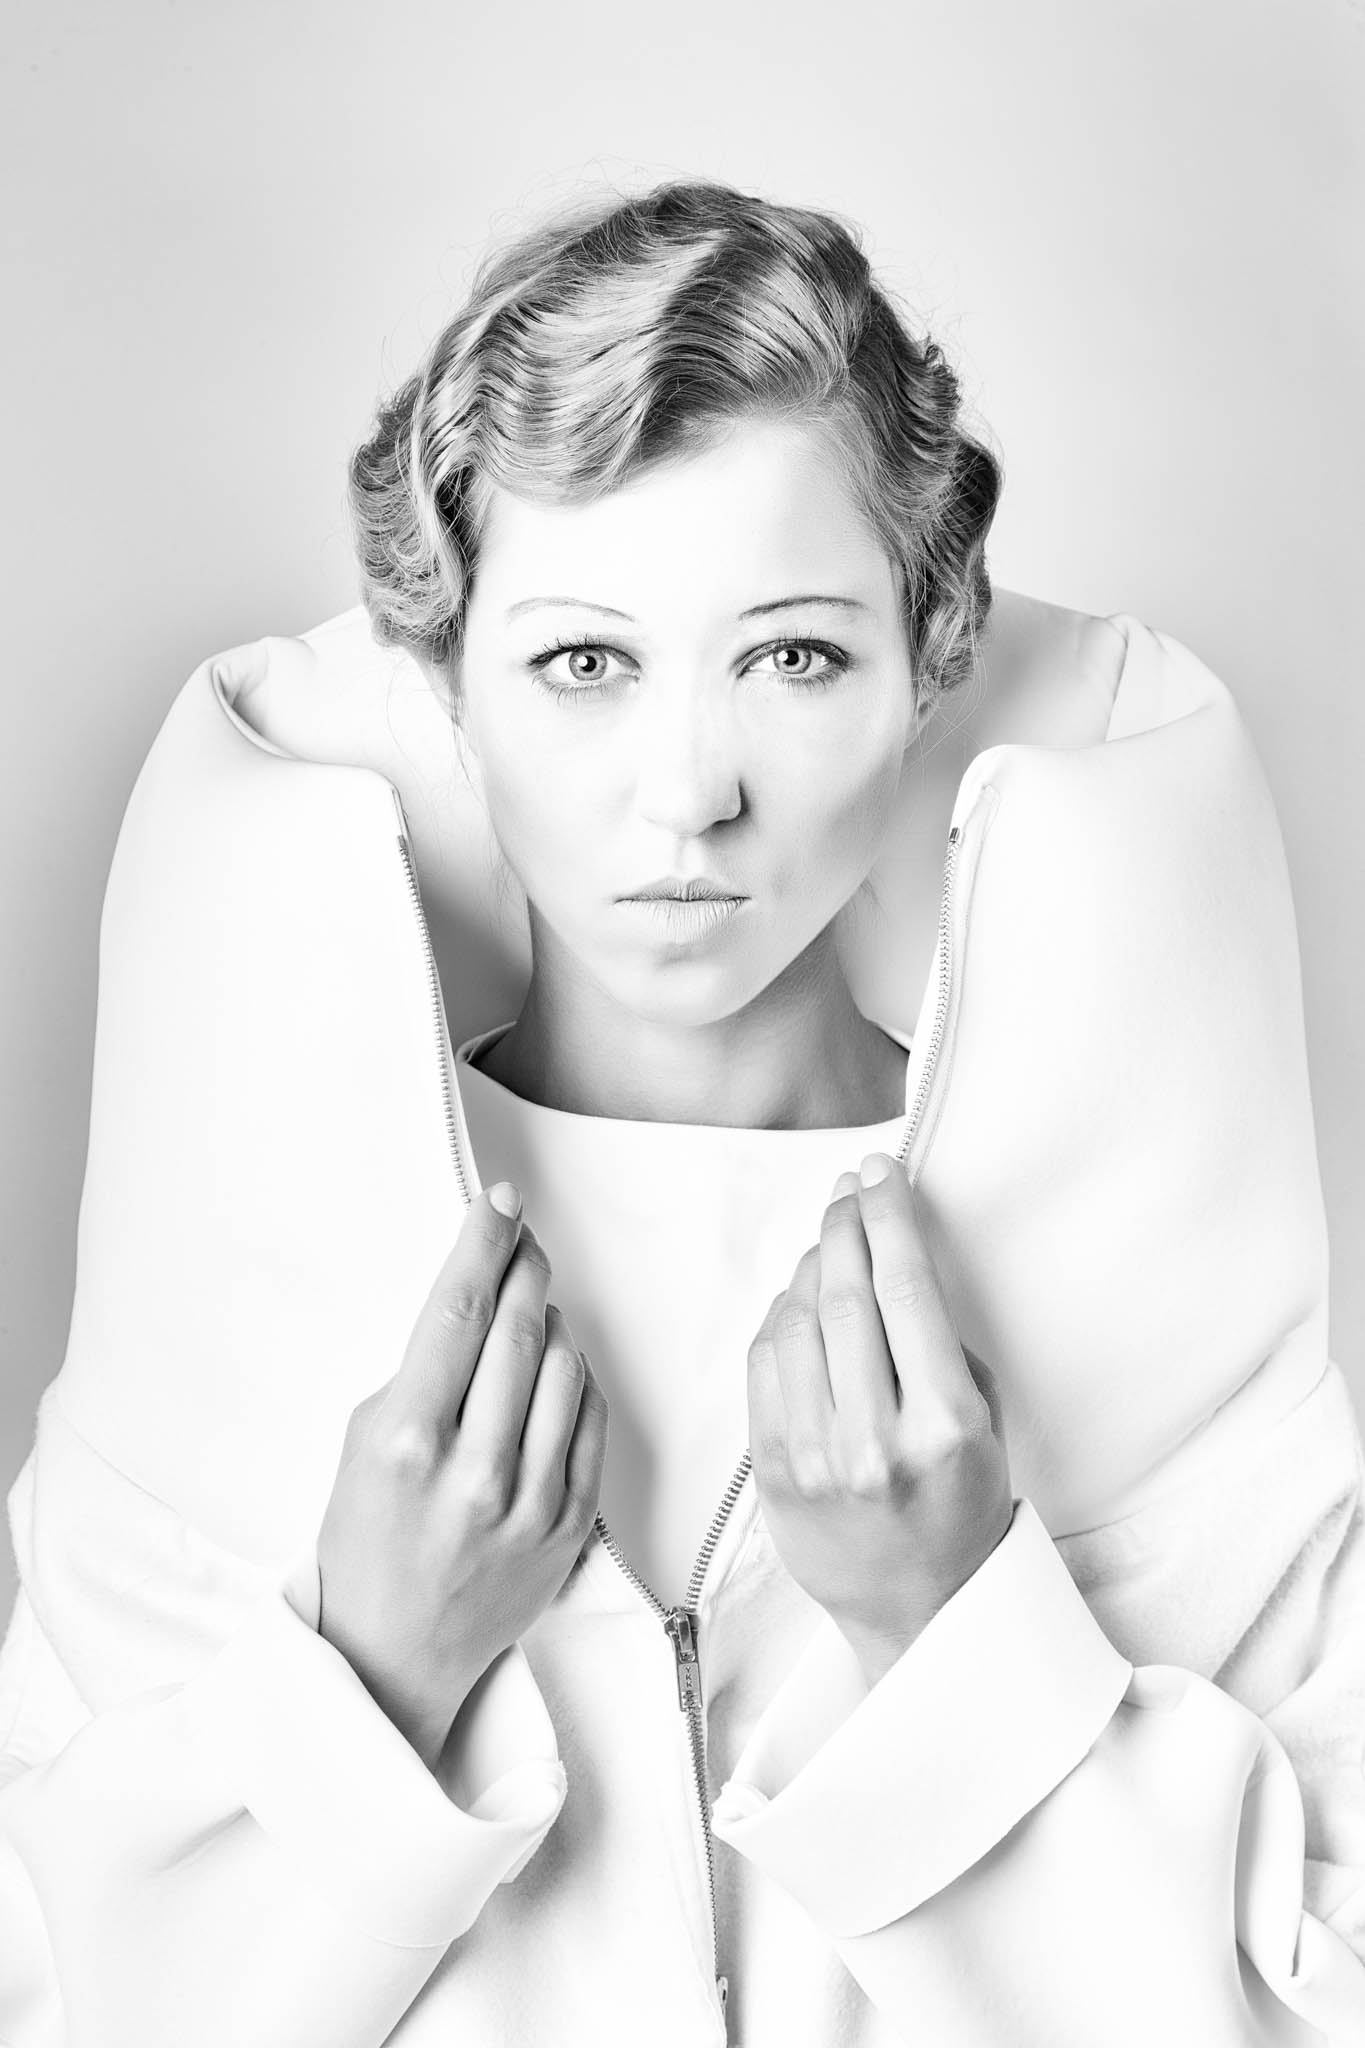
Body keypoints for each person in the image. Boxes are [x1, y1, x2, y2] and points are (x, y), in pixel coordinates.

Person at [1, 177, 1362, 2047]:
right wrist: (366, 1684)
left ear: (928, 656)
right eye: (582, 664)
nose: (686, 796)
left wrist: (953, 1632)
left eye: (792, 656)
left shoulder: (1165, 1278)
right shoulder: (234, 1292)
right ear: (447, 685)